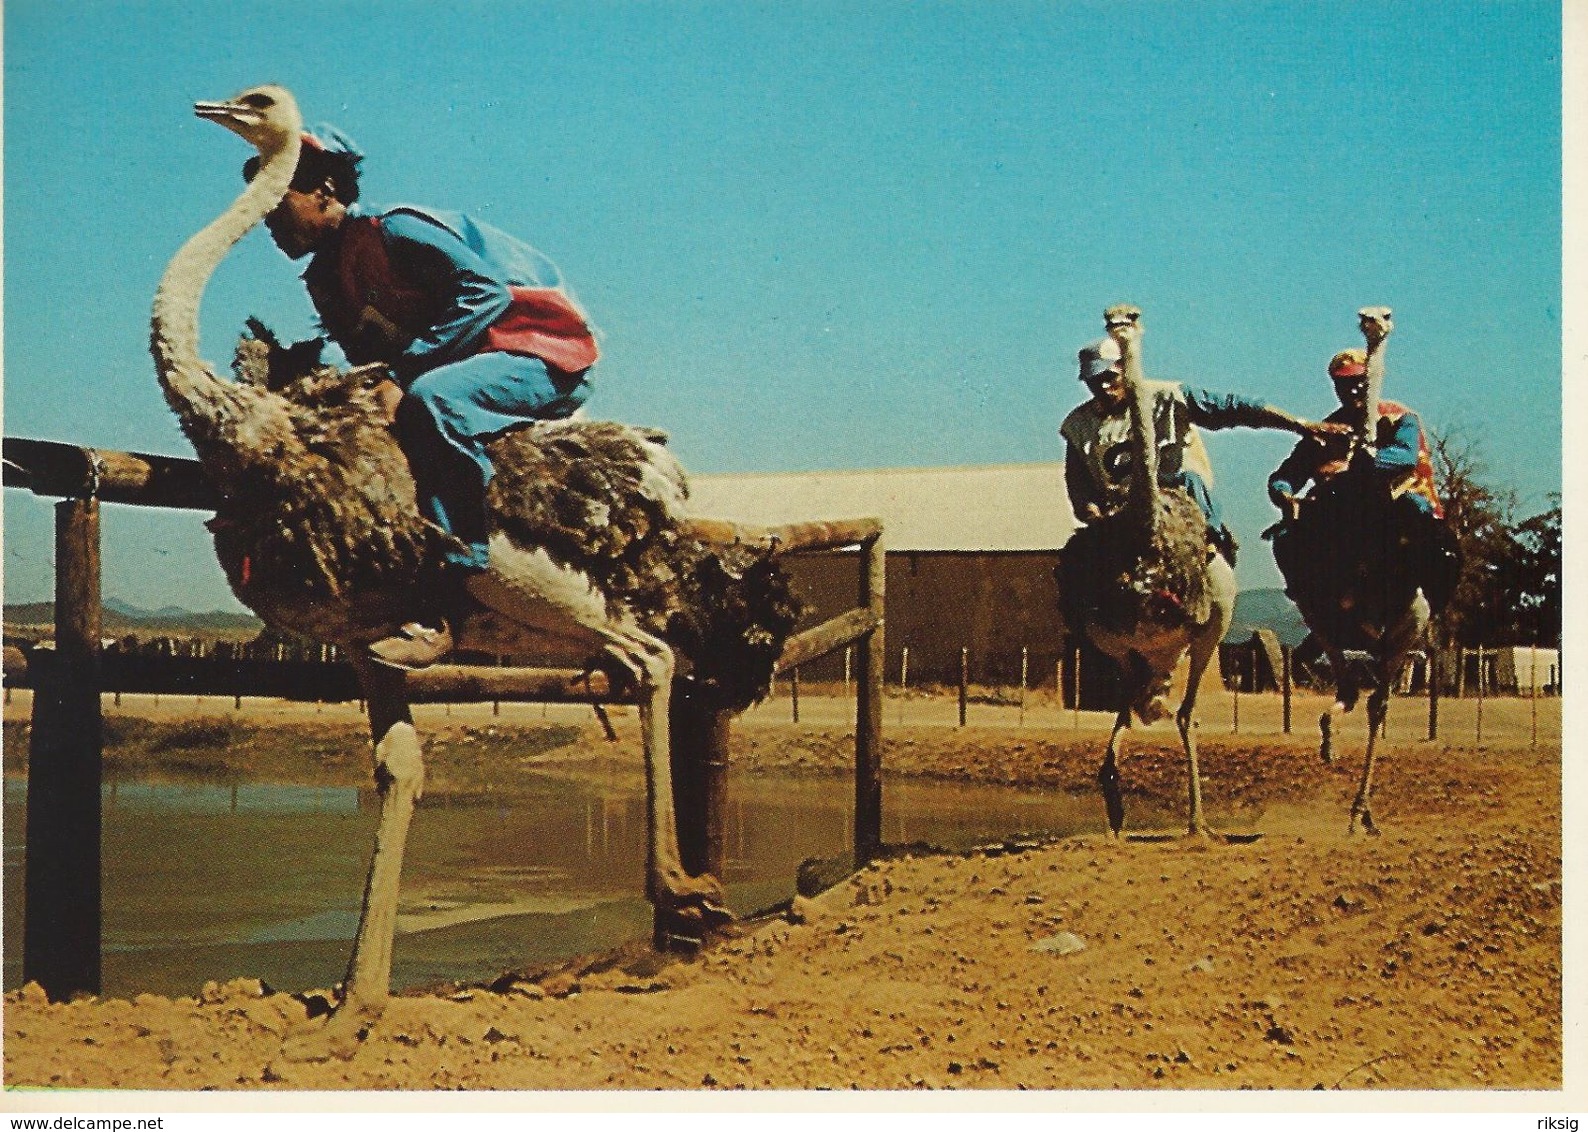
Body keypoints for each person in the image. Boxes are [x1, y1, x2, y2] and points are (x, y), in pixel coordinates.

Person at [247, 125, 598, 670]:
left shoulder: (394, 231)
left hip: (534, 353)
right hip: (464, 363)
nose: (267, 222)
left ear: (326, 191)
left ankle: (452, 599)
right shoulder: (324, 279)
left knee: (433, 399)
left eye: (276, 203)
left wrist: (405, 374)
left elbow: (483, 295)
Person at [1060, 336, 1344, 564]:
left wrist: (1299, 425)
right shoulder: (1077, 425)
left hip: (1176, 494)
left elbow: (1237, 408)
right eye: (1095, 382)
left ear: (1125, 369)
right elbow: (1079, 483)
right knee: (1077, 565)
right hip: (1119, 508)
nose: (1104, 386)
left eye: (1110, 377)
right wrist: (1093, 513)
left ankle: (1213, 542)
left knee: (1190, 480)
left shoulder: (1169, 397)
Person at [1267, 347, 1458, 615]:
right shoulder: (1326, 430)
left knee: (1426, 525)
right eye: (1344, 384)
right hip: (1340, 510)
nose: (1353, 390)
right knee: (1285, 538)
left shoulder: (1400, 418)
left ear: (1371, 382)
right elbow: (1287, 474)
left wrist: (1354, 467)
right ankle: (1313, 603)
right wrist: (1284, 493)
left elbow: (1404, 456)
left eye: (1359, 382)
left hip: (1394, 502)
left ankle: (1432, 603)